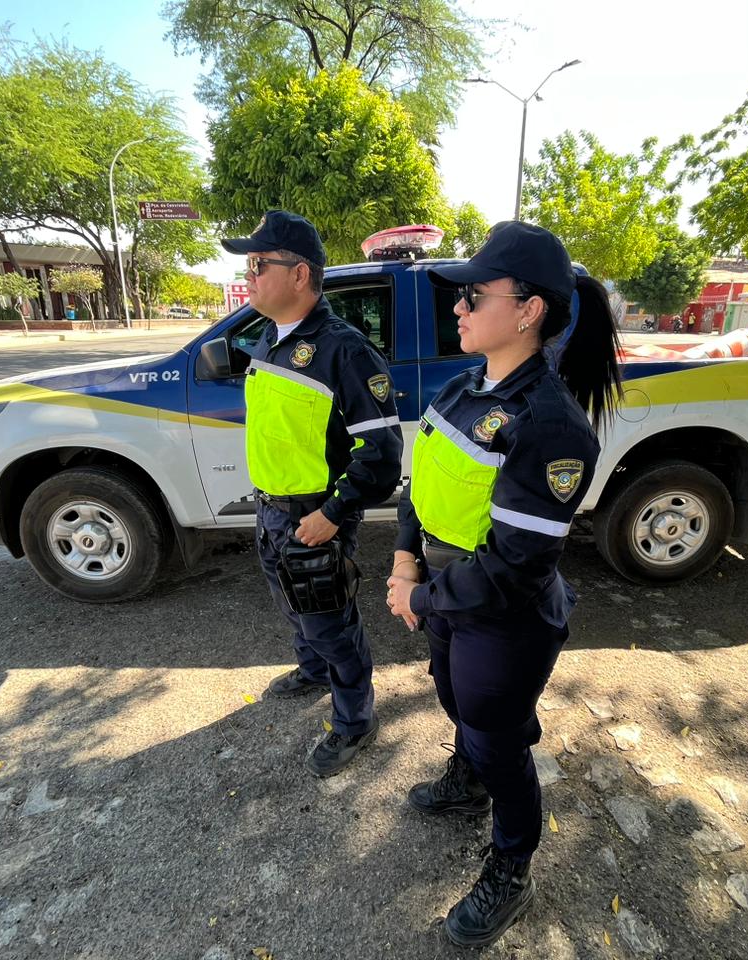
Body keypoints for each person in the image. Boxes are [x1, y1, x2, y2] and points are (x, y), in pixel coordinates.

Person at [386, 221, 621, 946]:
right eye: (459, 297)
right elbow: (416, 485)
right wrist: (404, 561)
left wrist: (419, 597)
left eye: (472, 296)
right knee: (457, 703)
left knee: (499, 738)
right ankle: (469, 776)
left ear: (528, 310)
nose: (456, 308)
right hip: (450, 601)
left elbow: (515, 569)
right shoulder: (463, 388)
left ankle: (510, 866)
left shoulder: (551, 426)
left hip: (502, 619)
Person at [222, 210, 403, 777]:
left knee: (331, 621)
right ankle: (314, 669)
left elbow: (381, 455)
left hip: (314, 517)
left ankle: (355, 719)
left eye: (258, 264)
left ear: (299, 275)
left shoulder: (343, 351)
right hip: (272, 510)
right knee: (293, 608)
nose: (248, 275)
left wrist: (333, 513)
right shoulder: (271, 342)